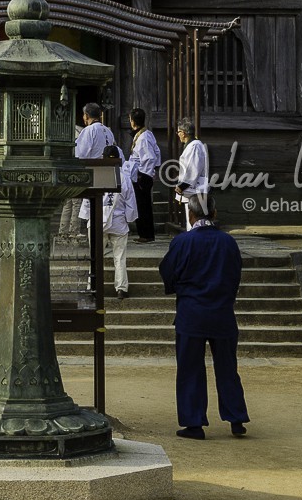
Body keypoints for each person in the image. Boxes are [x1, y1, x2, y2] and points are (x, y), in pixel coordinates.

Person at [159, 193, 249, 439]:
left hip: (191, 312)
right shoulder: (228, 242)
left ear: (191, 214)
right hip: (222, 312)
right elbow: (235, 274)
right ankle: (236, 417)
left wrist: (180, 288)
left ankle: (194, 422)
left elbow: (167, 271)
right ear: (214, 214)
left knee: (190, 368)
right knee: (227, 367)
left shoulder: (182, 242)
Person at [58, 102, 119, 242]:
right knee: (77, 202)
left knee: (75, 201)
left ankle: (71, 231)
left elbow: (80, 154)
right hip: (105, 172)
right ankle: (67, 231)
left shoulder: (88, 131)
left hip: (89, 171)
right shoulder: (107, 131)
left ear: (86, 116)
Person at [99, 144, 139, 297]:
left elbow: (88, 203)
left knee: (96, 256)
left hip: (99, 220)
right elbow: (131, 203)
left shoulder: (97, 175)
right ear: (119, 159)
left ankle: (93, 286)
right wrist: (128, 219)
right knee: (120, 257)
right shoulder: (125, 178)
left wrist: (89, 219)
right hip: (118, 222)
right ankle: (121, 288)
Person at [127, 107, 161, 242]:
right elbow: (157, 152)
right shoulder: (145, 134)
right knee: (142, 205)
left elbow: (150, 157)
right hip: (140, 174)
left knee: (143, 205)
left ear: (133, 121)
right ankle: (145, 234)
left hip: (142, 176)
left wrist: (144, 174)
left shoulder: (144, 137)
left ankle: (146, 234)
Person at [173, 117, 209, 231]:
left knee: (196, 220)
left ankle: (197, 242)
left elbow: (194, 168)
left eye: (178, 132)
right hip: (192, 189)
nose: (177, 134)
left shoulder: (195, 146)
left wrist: (183, 185)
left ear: (183, 133)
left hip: (195, 189)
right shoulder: (192, 145)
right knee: (192, 219)